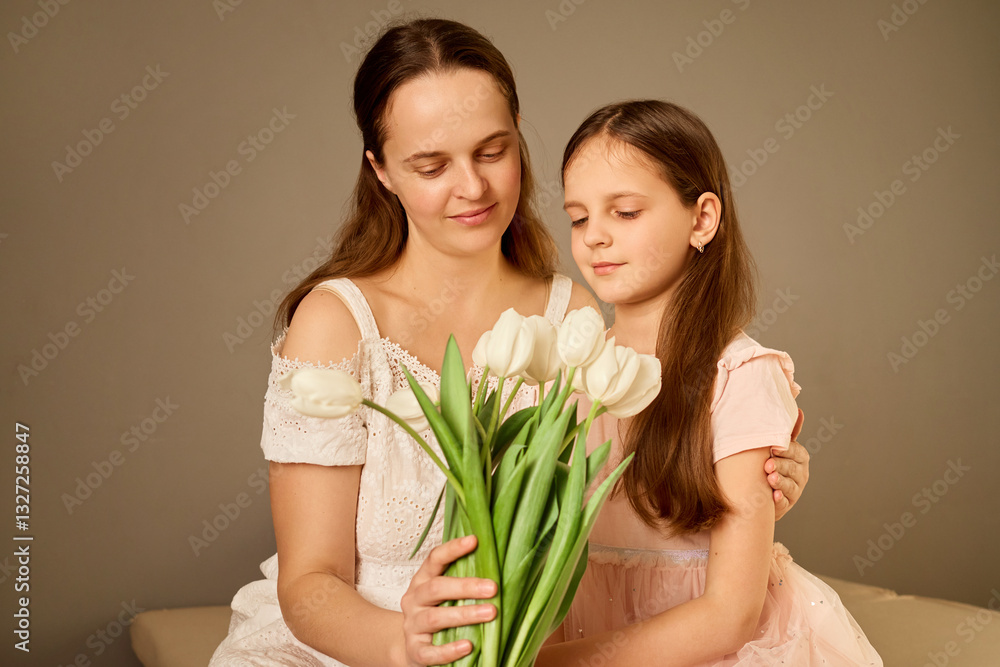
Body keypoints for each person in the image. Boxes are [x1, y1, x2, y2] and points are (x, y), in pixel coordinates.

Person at [209, 20, 811, 667]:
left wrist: (746, 474)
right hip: (359, 649)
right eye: (432, 165)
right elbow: (308, 583)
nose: (472, 188)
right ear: (381, 171)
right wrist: (401, 642)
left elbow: (622, 497)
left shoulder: (573, 315)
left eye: (492, 151)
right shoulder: (334, 322)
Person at [526, 100, 878, 665]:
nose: (594, 237)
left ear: (702, 219)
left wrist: (557, 663)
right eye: (579, 216)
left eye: (625, 212)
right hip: (587, 634)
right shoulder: (570, 366)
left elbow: (728, 617)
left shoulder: (738, 376)